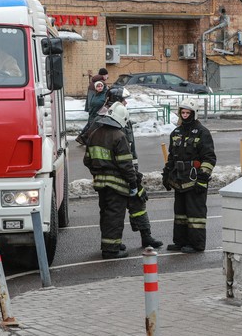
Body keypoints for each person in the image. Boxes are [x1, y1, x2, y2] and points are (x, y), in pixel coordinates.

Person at [80, 86, 163, 249]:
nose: (126, 103)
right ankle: (111, 243)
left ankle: (146, 236)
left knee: (138, 201)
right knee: (111, 212)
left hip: (129, 169)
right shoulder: (101, 120)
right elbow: (90, 143)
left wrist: (133, 171)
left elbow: (130, 147)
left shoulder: (121, 115)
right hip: (117, 172)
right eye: (123, 100)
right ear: (115, 101)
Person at [83, 102, 138, 259]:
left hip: (101, 184)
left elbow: (87, 160)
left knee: (106, 214)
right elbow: (126, 164)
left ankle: (110, 243)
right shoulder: (119, 136)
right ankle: (111, 250)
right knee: (115, 216)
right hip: (117, 186)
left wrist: (97, 172)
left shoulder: (94, 133)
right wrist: (133, 182)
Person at [162, 98, 216, 254]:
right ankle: (180, 242)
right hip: (179, 180)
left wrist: (202, 179)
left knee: (195, 214)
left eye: (188, 113)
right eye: (183, 112)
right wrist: (166, 174)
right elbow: (172, 157)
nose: (185, 115)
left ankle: (196, 244)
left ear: (194, 113)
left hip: (194, 180)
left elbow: (209, 158)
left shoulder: (202, 132)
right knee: (180, 214)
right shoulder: (176, 132)